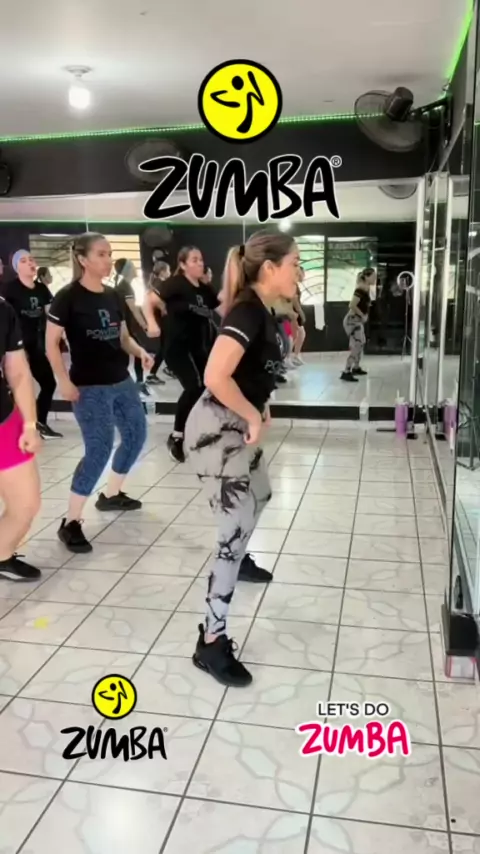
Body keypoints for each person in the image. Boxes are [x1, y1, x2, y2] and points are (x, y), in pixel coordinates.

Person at [184, 230, 299, 687]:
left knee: (262, 494)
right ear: (269, 267)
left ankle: (241, 555)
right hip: (215, 431)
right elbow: (215, 375)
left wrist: (259, 405)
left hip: (237, 423)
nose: (298, 272)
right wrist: (251, 412)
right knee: (232, 532)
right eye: (294, 264)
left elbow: (254, 370)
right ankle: (210, 643)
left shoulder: (264, 310)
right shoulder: (248, 311)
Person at [46, 233, 153, 554]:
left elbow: (122, 337)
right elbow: (51, 344)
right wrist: (63, 381)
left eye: (109, 253)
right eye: (102, 254)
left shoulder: (113, 295)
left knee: (136, 434)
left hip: (121, 380)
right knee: (99, 449)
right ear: (83, 259)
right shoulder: (68, 297)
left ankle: (111, 495)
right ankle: (71, 522)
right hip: (89, 386)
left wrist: (139, 351)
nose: (108, 260)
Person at [146, 246, 219, 464]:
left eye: (201, 259)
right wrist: (151, 323)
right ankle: (177, 437)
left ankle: (196, 430)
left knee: (209, 386)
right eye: (194, 260)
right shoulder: (176, 283)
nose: (200, 263)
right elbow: (149, 300)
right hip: (177, 347)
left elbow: (222, 307)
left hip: (199, 347)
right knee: (194, 386)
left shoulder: (204, 289)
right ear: (183, 264)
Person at [0, 295, 42, 581]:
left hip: (3, 419)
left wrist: (30, 423)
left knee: (26, 503)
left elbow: (17, 371)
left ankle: (1, 555)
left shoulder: (3, 310)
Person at [1, 250, 62, 438]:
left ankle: (39, 423)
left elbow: (52, 315)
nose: (30, 263)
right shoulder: (9, 290)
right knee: (15, 387)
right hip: (14, 348)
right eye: (24, 261)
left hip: (34, 344)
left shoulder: (42, 289)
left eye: (31, 259)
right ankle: (17, 427)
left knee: (49, 383)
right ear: (16, 267)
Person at [113, 258, 152, 396]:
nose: (136, 269)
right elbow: (134, 309)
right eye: (133, 266)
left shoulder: (123, 286)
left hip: (125, 327)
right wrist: (145, 326)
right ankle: (134, 384)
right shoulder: (125, 287)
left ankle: (136, 383)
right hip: (125, 328)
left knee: (132, 355)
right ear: (128, 270)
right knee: (136, 353)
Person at [341, 267, 376, 382]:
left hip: (357, 320)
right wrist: (362, 315)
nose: (375, 279)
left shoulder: (365, 289)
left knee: (361, 343)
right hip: (352, 320)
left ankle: (356, 367)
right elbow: (352, 305)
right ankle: (346, 371)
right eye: (373, 276)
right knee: (357, 344)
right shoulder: (360, 289)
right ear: (366, 277)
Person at [143, 262, 170, 386]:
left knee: (167, 347)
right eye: (168, 270)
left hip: (161, 320)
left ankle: (169, 368)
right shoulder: (161, 285)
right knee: (163, 348)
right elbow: (162, 305)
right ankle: (151, 374)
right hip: (162, 321)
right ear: (163, 272)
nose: (169, 273)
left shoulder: (157, 284)